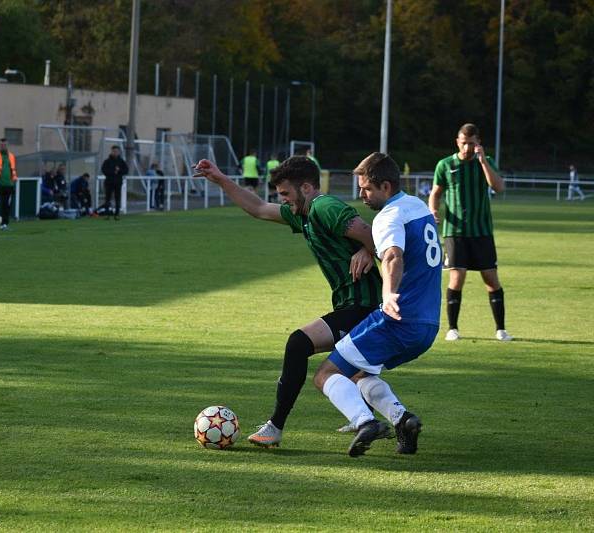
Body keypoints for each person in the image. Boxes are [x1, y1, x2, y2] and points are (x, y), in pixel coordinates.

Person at [194, 155, 383, 448]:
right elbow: (258, 208)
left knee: (298, 343)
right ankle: (394, 420)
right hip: (353, 305)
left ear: (306, 187)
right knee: (355, 371)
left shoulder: (324, 206)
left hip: (364, 307)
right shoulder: (304, 213)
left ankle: (275, 427)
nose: (282, 200)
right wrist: (219, 178)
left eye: (285, 193)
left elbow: (371, 232)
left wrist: (368, 250)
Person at [311, 152, 441, 457]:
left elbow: (394, 255)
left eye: (366, 189)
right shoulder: (418, 207)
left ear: (385, 186)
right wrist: (371, 252)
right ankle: (403, 420)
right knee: (359, 373)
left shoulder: (388, 216)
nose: (361, 195)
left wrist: (388, 295)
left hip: (397, 320)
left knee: (326, 374)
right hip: (428, 325)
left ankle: (365, 422)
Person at [429, 123, 512, 342]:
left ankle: (501, 329)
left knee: (491, 279)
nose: (467, 148)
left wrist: (483, 161)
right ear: (457, 142)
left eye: (471, 144)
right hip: (454, 231)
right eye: (464, 143)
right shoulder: (445, 165)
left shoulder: (486, 162)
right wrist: (433, 211)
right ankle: (453, 329)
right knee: (457, 276)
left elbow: (499, 187)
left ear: (478, 143)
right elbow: (436, 193)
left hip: (482, 231)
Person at [0, 137, 17, 230]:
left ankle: (4, 224)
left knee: (7, 205)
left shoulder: (11, 156)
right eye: (1, 145)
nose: (3, 146)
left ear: (7, 145)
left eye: (5, 145)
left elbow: (13, 170)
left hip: (9, 185)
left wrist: (13, 183)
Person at [100, 145, 128, 220]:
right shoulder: (107, 161)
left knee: (117, 198)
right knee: (107, 199)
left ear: (119, 152)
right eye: (114, 151)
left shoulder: (121, 161)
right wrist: (113, 172)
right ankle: (106, 214)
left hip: (118, 182)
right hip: (109, 182)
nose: (115, 153)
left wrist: (119, 171)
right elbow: (104, 170)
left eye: (117, 151)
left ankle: (117, 214)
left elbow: (126, 170)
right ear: (111, 151)